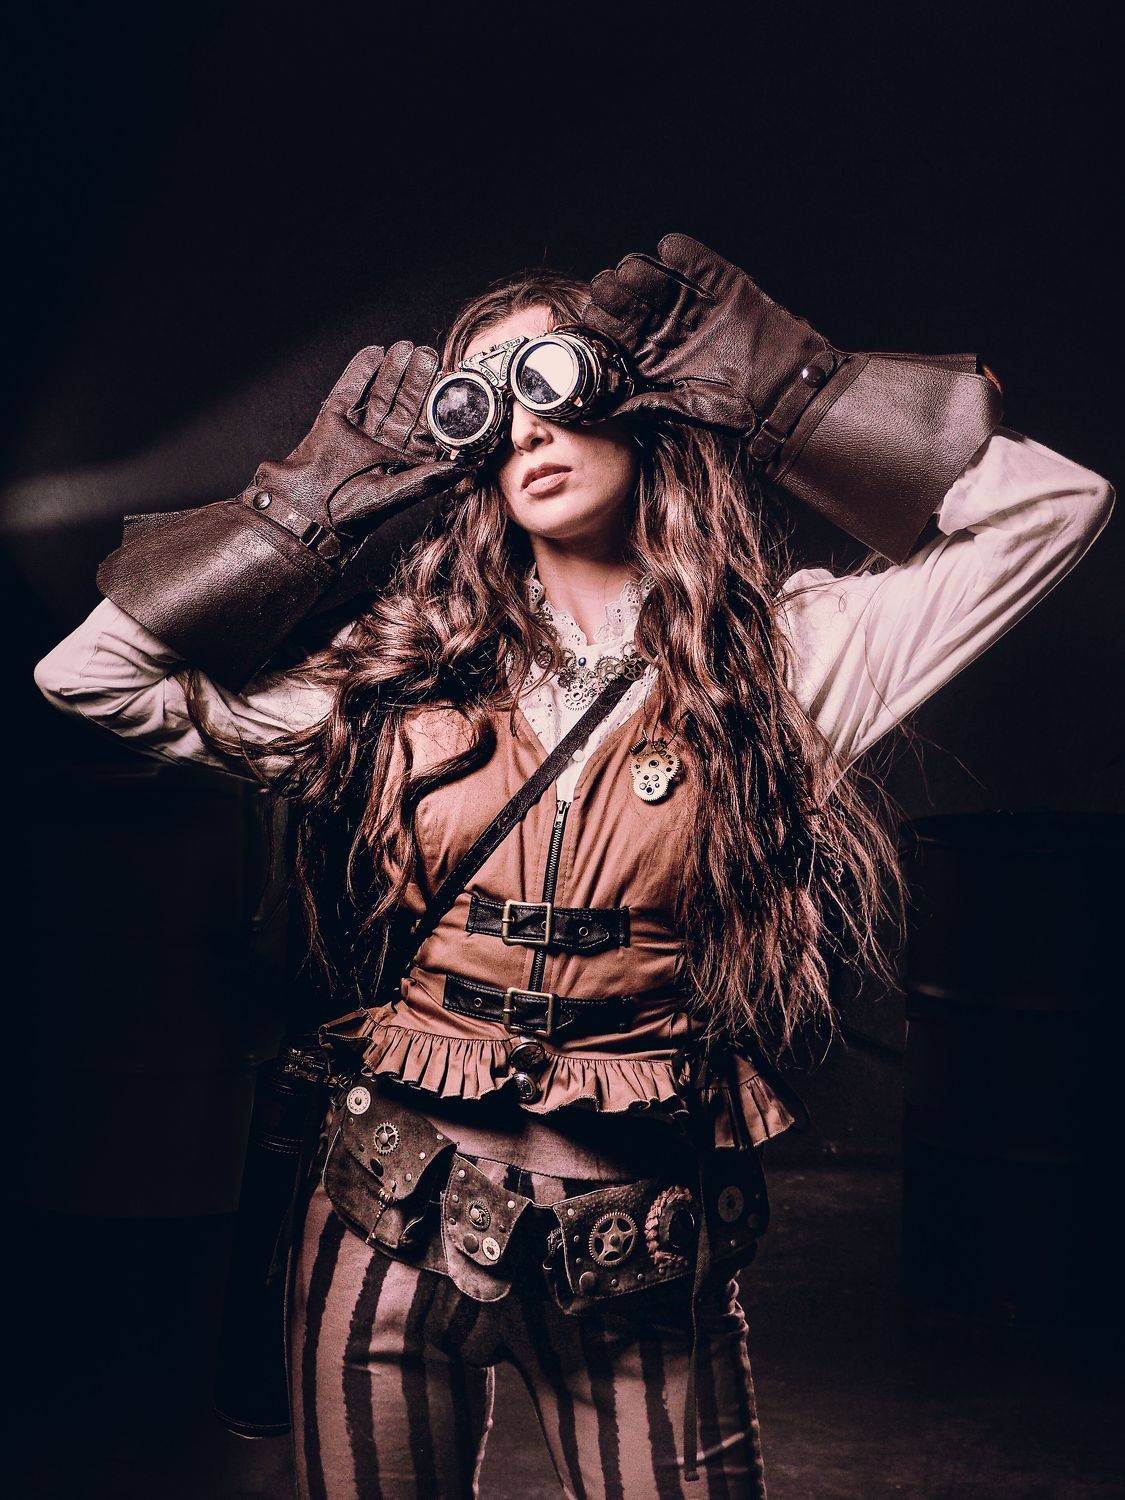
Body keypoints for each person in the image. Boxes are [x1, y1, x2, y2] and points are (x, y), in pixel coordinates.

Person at [34, 235, 1113, 1498]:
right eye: (486, 408)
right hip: (384, 1223)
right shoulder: (401, 672)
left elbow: (1057, 505)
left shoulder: (784, 660)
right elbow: (88, 675)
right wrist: (309, 500)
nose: (529, 429)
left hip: (638, 1248)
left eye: (559, 382)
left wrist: (789, 388)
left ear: (642, 402)